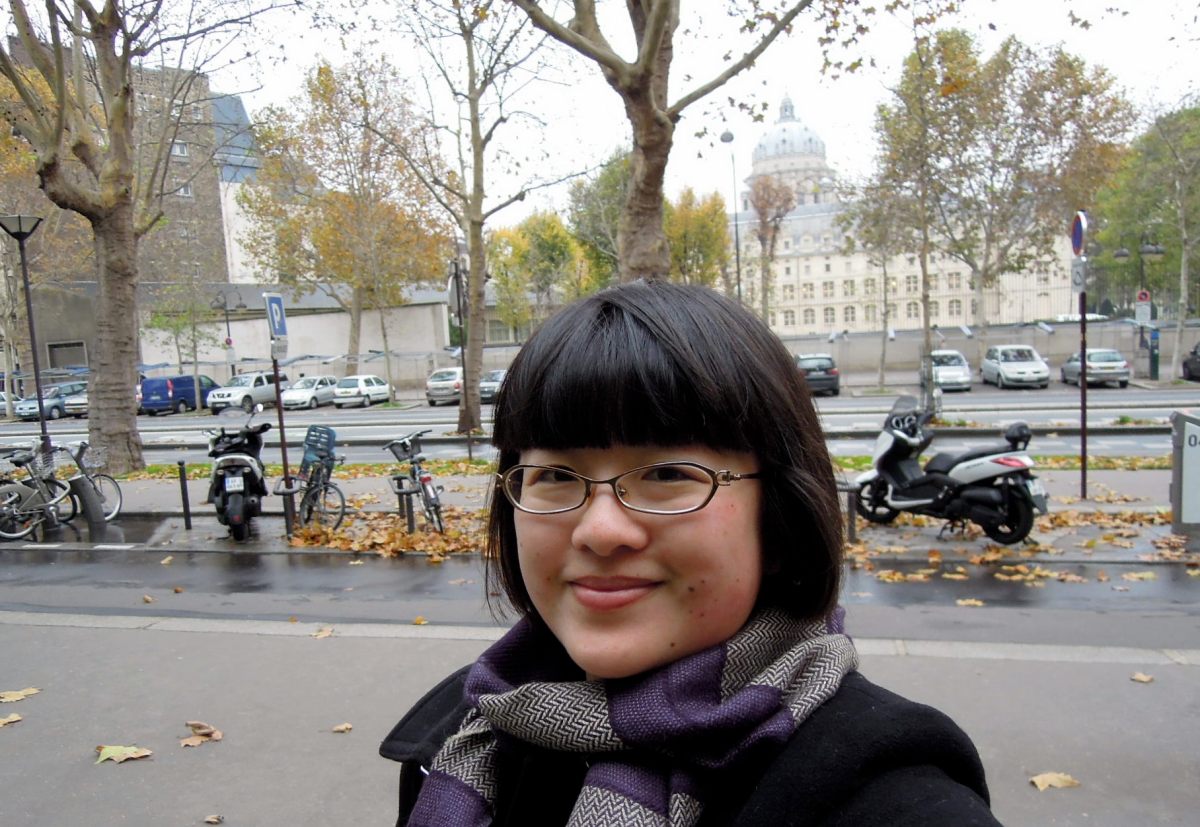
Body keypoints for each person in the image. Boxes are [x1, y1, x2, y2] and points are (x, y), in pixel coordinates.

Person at [380, 280, 999, 826]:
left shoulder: (879, 791)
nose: (599, 531)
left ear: (779, 516)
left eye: (669, 473)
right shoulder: (466, 730)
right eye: (557, 476)